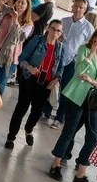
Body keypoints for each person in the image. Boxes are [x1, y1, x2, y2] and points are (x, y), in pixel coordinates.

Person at [48, 26, 97, 182]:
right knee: (69, 132)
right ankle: (56, 164)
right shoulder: (83, 50)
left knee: (93, 137)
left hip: (94, 102)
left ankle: (81, 174)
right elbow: (78, 71)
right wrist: (91, 54)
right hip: (76, 97)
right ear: (94, 38)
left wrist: (93, 82)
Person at [4, 19, 64, 151]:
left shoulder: (60, 48)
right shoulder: (38, 40)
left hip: (46, 84)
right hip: (29, 79)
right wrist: (29, 67)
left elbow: (60, 68)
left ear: (61, 33)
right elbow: (22, 58)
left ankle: (29, 130)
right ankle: (11, 137)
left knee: (37, 111)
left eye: (58, 30)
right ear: (48, 28)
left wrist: (56, 79)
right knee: (21, 108)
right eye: (53, 28)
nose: (55, 32)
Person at [48, 0, 92, 125]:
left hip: (73, 62)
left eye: (81, 7)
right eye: (76, 6)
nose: (78, 9)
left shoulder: (88, 27)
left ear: (85, 10)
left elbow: (90, 47)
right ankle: (46, 111)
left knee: (65, 90)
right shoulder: (64, 21)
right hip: (57, 58)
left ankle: (59, 117)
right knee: (51, 84)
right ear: (72, 7)